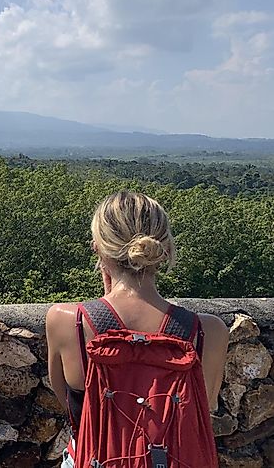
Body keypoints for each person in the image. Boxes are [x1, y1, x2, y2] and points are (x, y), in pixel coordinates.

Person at [45, 190, 229, 468]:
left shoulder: (66, 321)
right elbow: (205, 407)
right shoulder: (209, 332)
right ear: (164, 248)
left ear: (98, 248)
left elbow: (73, 409)